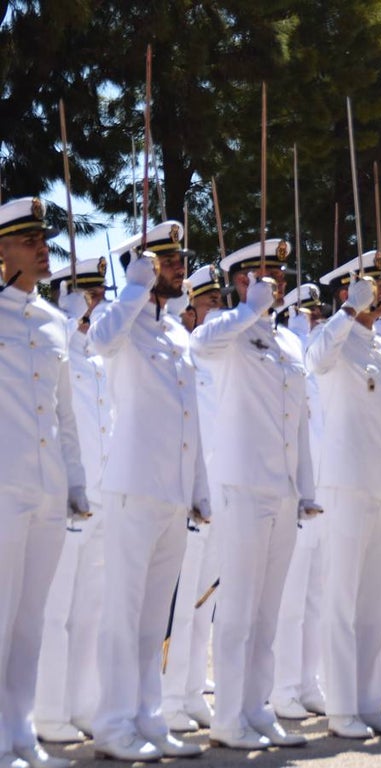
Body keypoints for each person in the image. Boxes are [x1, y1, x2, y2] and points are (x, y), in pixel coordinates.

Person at [191, 238, 320, 750]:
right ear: (243, 279)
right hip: (242, 485)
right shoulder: (226, 333)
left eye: (280, 273)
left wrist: (306, 488)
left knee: (267, 610)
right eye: (266, 273)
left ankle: (256, 708)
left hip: (283, 489)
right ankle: (228, 717)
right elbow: (202, 344)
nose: (278, 281)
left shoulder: (288, 343)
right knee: (240, 609)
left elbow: (301, 424)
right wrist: (248, 309)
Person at [88, 222, 208, 762]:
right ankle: (113, 724)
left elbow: (192, 418)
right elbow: (99, 338)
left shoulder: (179, 335)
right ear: (144, 265)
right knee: (123, 613)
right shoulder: (125, 323)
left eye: (181, 257)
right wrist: (133, 288)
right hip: (133, 486)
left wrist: (200, 487)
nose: (180, 264)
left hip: (173, 492)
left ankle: (147, 717)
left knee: (153, 615)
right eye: (169, 257)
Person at [304, 253, 381, 739]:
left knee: (374, 603)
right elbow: (315, 359)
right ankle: (342, 708)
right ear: (347, 292)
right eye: (368, 289)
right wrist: (347, 312)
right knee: (342, 601)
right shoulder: (334, 341)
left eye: (378, 289)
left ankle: (370, 704)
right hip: (345, 486)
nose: (378, 296)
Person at [0, 197, 88, 768]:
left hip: (48, 489)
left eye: (42, 236)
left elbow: (66, 415)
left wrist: (76, 483)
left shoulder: (55, 322)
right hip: (3, 486)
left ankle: (20, 732)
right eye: (28, 238)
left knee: (30, 621)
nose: (41, 246)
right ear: (1, 250)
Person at [34, 260, 111, 744]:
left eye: (100, 294)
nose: (95, 303)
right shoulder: (57, 348)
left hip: (100, 497)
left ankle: (81, 705)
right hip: (62, 498)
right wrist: (65, 322)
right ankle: (46, 712)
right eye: (86, 294)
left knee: (90, 613)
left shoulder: (98, 357)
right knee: (54, 613)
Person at [161, 262, 226, 734]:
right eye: (210, 304)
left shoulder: (223, 360)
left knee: (203, 603)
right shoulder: (185, 356)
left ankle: (188, 691)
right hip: (185, 494)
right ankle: (167, 698)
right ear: (190, 312)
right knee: (177, 606)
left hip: (218, 494)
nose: (217, 311)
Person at [269, 282, 328, 723]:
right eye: (306, 311)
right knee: (288, 604)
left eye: (316, 311)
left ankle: (310, 682)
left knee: (316, 600)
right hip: (288, 493)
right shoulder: (293, 355)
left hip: (320, 493)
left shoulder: (310, 358)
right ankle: (283, 687)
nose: (314, 317)